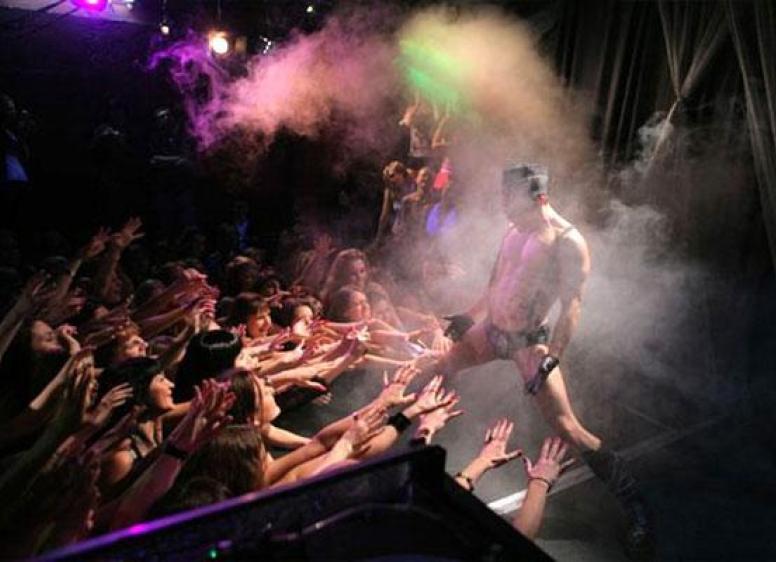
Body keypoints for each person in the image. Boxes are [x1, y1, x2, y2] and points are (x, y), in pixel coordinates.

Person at [439, 163, 654, 557]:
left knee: (568, 428)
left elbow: (572, 306)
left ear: (538, 197)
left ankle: (636, 507)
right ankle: (415, 451)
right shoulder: (513, 231)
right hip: (491, 331)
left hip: (528, 342)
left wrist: (552, 358)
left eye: (510, 198)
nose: (503, 205)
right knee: (440, 366)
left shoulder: (568, 242)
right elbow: (496, 284)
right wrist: (470, 316)